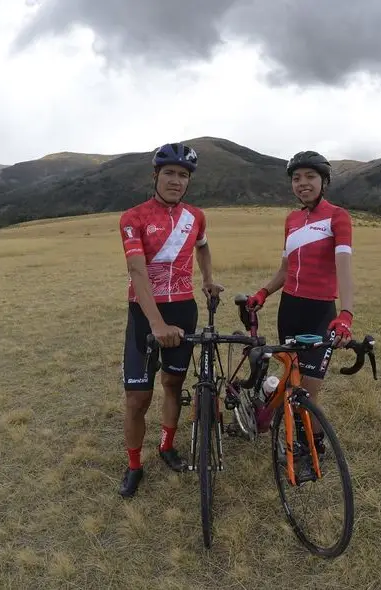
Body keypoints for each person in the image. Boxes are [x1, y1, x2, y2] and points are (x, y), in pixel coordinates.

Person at [117, 142, 223, 498]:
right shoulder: (133, 218)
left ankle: (166, 445)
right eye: (169, 174)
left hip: (183, 309)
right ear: (155, 176)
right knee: (137, 398)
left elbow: (203, 246)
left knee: (174, 385)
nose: (176, 181)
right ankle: (134, 466)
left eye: (183, 175)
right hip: (146, 316)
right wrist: (157, 324)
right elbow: (137, 272)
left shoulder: (196, 216)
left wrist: (207, 279)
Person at [246, 150, 355, 481]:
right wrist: (264, 291)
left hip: (321, 311)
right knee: (293, 384)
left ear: (324, 181)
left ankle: (313, 444)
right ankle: (289, 433)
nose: (302, 183)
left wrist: (346, 313)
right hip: (289, 309)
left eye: (310, 177)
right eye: (296, 178)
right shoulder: (292, 220)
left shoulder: (338, 217)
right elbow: (286, 268)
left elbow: (344, 267)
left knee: (308, 390)